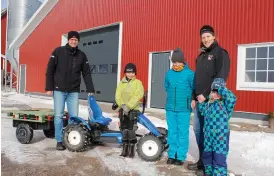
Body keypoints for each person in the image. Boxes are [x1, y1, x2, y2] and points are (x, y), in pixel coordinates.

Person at [188, 25, 230, 173]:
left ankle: (209, 166)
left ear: (214, 36)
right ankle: (202, 162)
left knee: (209, 134)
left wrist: (208, 95)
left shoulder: (220, 53)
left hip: (211, 102)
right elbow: (197, 79)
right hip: (199, 101)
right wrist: (194, 96)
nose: (205, 39)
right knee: (199, 131)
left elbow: (221, 76)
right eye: (203, 37)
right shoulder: (200, 57)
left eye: (208, 36)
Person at [45, 31, 95, 150]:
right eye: (72, 39)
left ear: (78, 41)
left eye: (76, 40)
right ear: (68, 40)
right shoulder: (58, 52)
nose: (73, 41)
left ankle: (72, 139)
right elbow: (50, 70)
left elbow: (86, 73)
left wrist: (90, 88)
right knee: (58, 116)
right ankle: (59, 140)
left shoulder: (81, 55)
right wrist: (49, 87)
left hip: (73, 91)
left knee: (74, 117)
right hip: (59, 90)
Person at [197, 78, 236, 176]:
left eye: (217, 91)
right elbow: (202, 112)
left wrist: (221, 89)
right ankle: (209, 172)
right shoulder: (209, 104)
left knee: (219, 156)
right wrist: (201, 103)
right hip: (208, 135)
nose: (215, 94)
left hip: (221, 136)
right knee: (207, 155)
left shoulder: (225, 105)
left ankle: (219, 174)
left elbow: (232, 99)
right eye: (213, 91)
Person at [164, 48, 195, 165]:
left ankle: (181, 156)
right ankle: (172, 154)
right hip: (171, 107)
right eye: (174, 62)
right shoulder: (169, 73)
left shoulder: (190, 74)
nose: (176, 64)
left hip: (184, 108)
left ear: (183, 61)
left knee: (182, 132)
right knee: (172, 131)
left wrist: (191, 99)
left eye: (178, 61)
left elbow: (194, 89)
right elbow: (166, 87)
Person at [115, 63, 144, 158]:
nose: (130, 74)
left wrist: (129, 106)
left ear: (135, 73)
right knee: (124, 130)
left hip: (132, 110)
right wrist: (122, 105)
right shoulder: (121, 83)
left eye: (132, 72)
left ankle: (131, 149)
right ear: (125, 72)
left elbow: (138, 95)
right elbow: (117, 95)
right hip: (122, 110)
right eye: (128, 72)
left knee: (131, 130)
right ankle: (124, 149)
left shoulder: (138, 83)